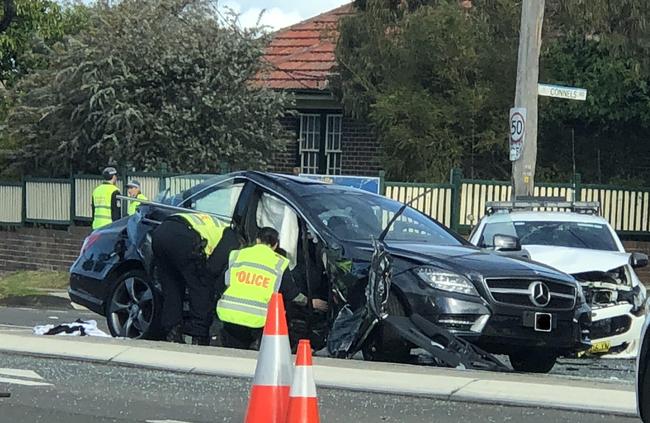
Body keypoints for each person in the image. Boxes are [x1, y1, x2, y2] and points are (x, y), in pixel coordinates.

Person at [216, 227, 328, 349]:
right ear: (275, 245)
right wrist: (312, 303)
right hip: (257, 319)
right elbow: (291, 293)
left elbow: (225, 282)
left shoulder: (237, 255)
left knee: (232, 353)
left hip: (229, 313)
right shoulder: (279, 263)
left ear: (257, 240)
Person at [151, 212, 239, 345]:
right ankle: (199, 336)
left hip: (161, 232)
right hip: (183, 237)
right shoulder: (232, 236)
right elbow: (212, 269)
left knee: (172, 286)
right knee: (201, 286)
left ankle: (172, 332)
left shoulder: (217, 225)